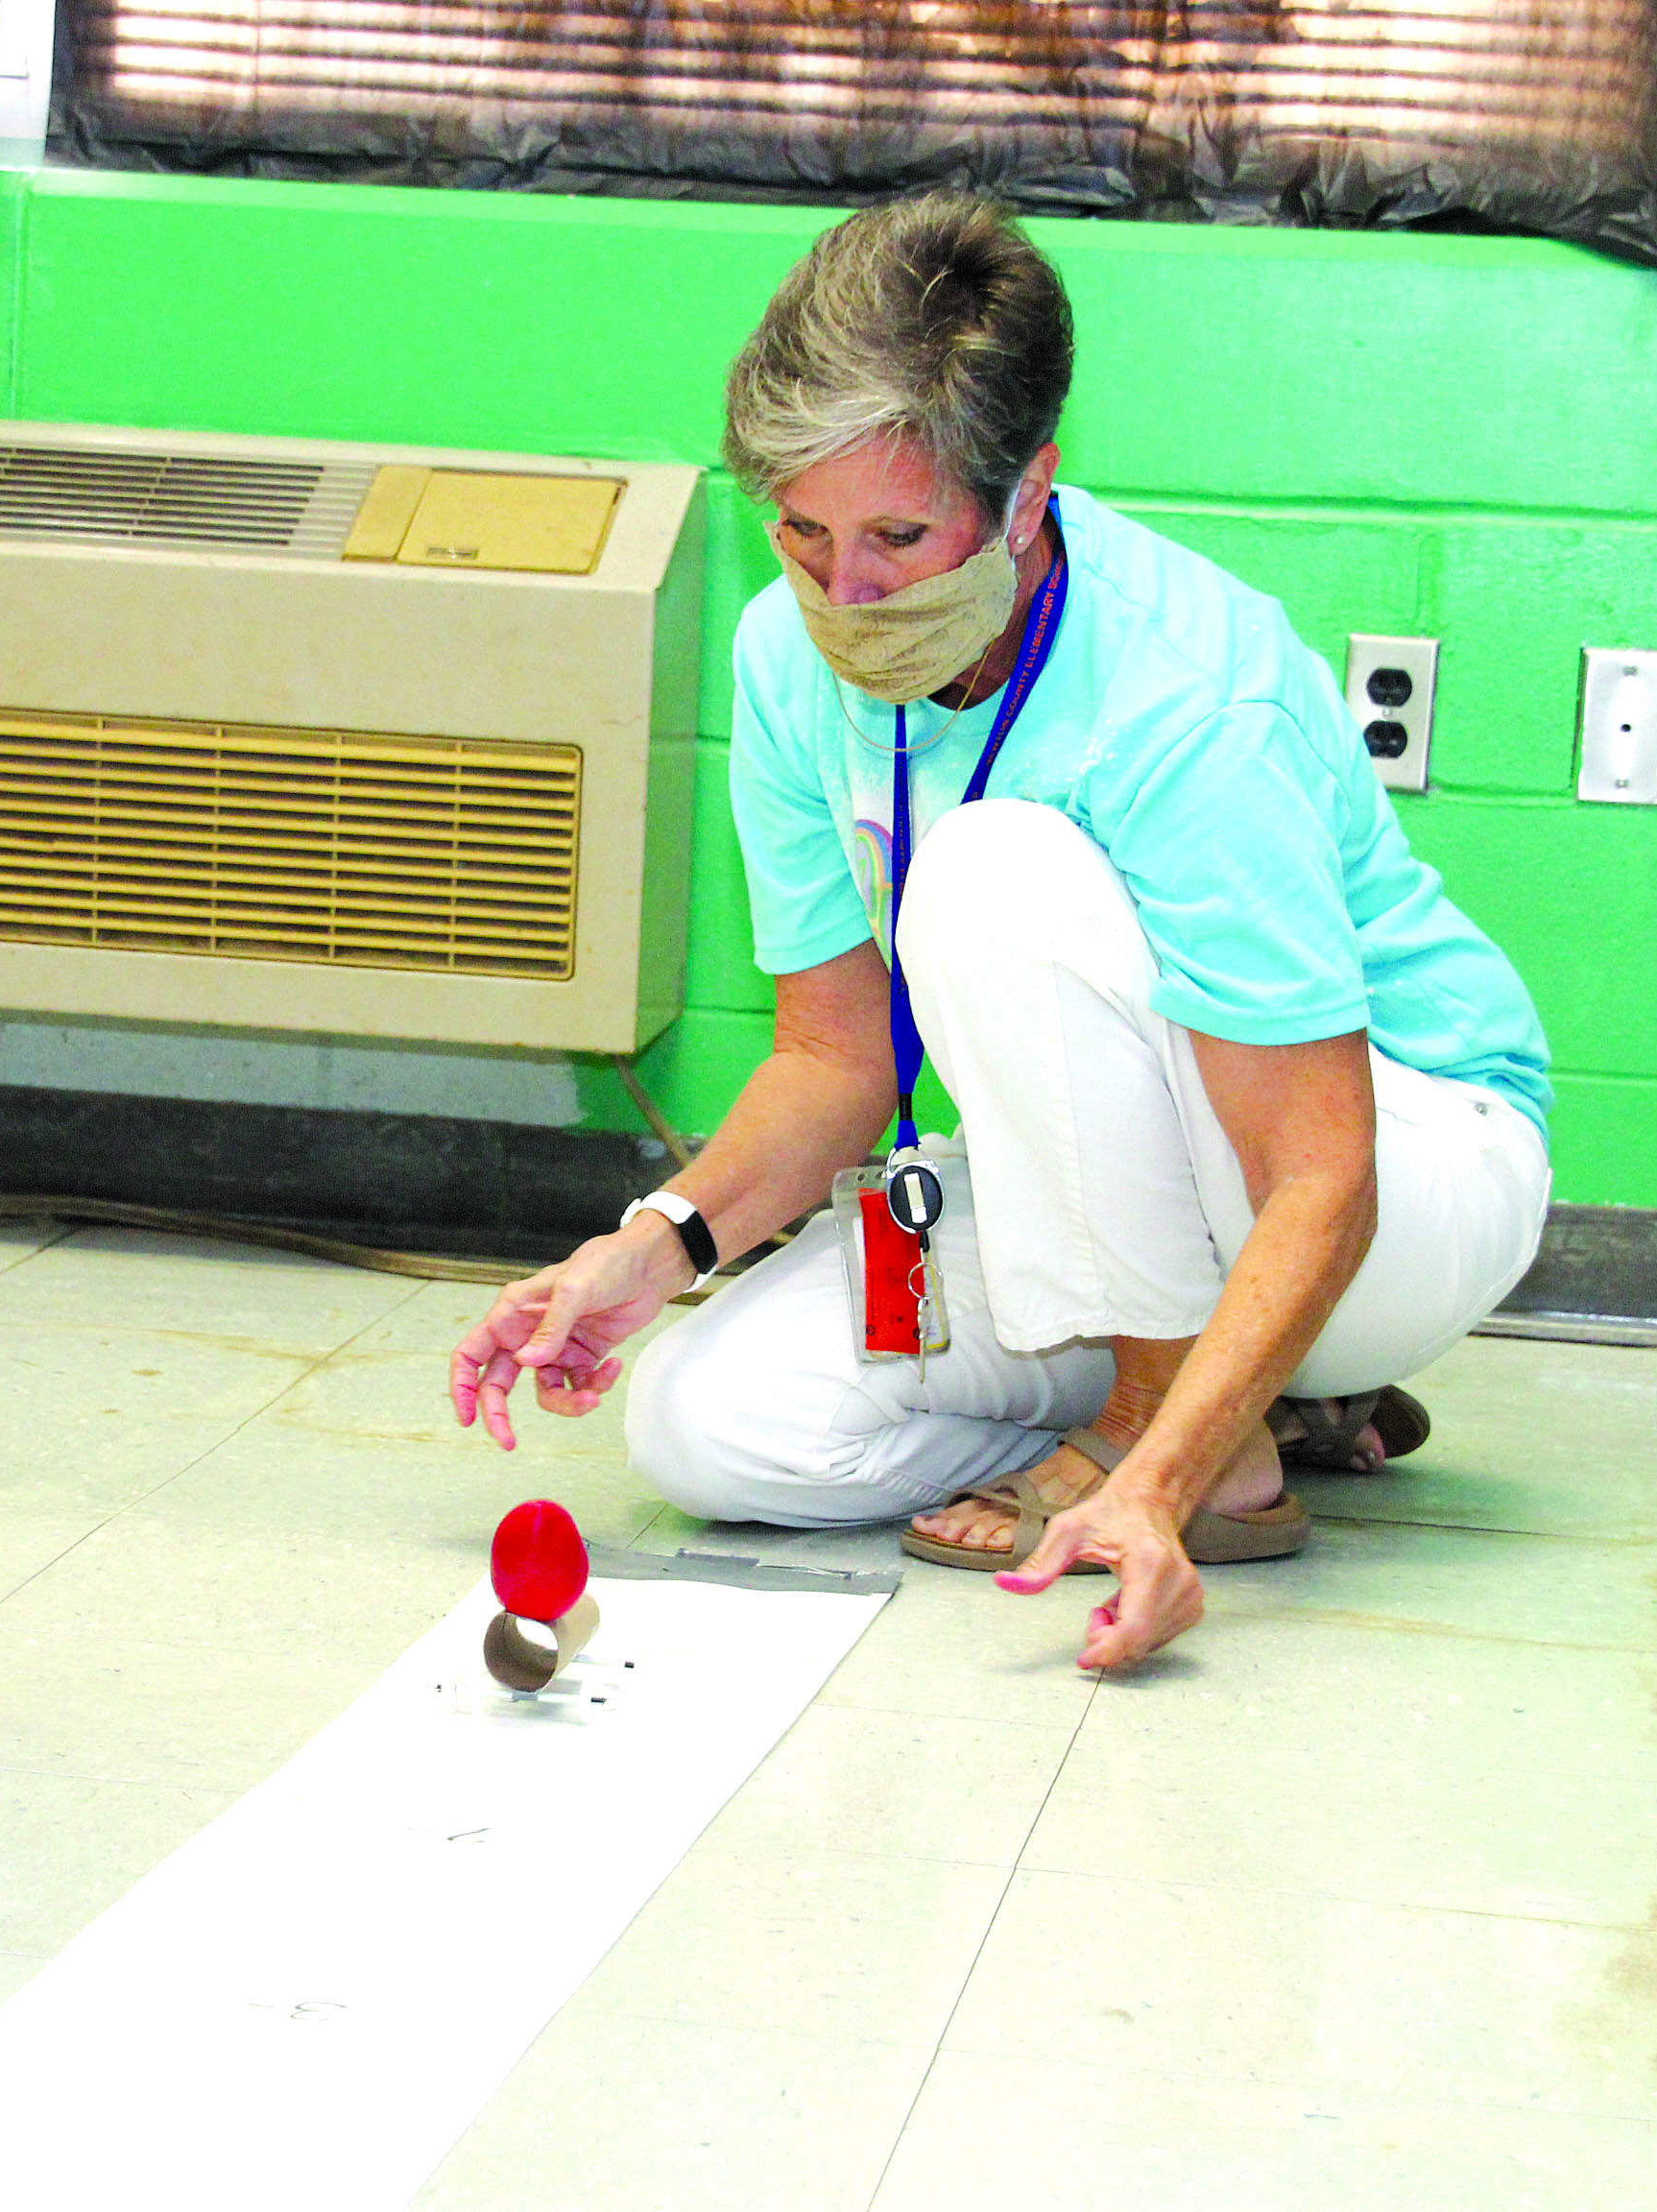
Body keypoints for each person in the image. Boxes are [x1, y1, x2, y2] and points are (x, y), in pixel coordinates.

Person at [447, 190, 1551, 1671]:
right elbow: (837, 1059)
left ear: (1028, 495)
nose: (844, 592)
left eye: (898, 536)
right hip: (1124, 1205)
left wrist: (1163, 1468)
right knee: (706, 1426)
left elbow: (1321, 1176)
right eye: (802, 531)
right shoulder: (787, 657)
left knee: (985, 871)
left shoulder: (1182, 694)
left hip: (1397, 1182)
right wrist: (649, 1249)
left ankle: (1187, 1436)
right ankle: (1242, 1398)